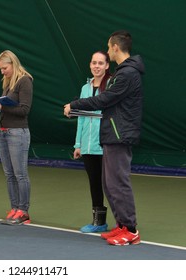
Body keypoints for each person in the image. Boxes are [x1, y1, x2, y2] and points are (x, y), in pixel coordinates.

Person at [64, 30, 144, 245]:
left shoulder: (127, 74)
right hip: (111, 135)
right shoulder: (123, 72)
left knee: (118, 183)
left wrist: (75, 105)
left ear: (115, 48)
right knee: (110, 184)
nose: (108, 50)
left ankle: (131, 230)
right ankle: (121, 225)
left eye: (109, 48)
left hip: (120, 135)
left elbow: (105, 99)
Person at [0, 50, 33, 225]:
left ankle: (24, 211)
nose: (2, 71)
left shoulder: (25, 81)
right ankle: (14, 208)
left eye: (4, 68)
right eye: (0, 69)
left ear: (13, 63)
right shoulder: (8, 82)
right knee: (9, 173)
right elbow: (6, 106)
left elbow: (24, 110)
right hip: (3, 132)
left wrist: (1, 106)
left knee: (20, 174)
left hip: (18, 133)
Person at [73, 51, 111, 233]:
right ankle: (99, 222)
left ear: (107, 66)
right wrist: (78, 145)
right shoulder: (84, 88)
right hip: (88, 147)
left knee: (111, 185)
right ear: (90, 65)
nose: (97, 66)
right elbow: (80, 117)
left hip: (105, 144)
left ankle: (122, 222)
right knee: (94, 183)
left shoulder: (111, 86)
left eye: (101, 63)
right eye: (94, 62)